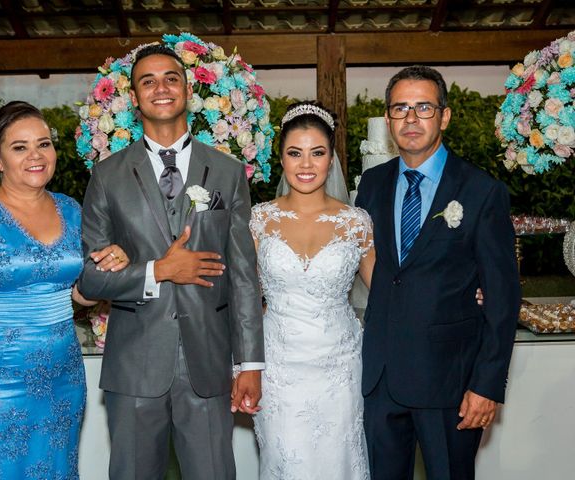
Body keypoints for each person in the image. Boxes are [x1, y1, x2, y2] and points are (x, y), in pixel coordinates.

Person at [77, 44, 264, 480]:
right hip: (134, 366)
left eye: (171, 78)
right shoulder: (106, 176)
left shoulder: (227, 172)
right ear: (135, 98)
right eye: (148, 81)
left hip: (208, 364)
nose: (161, 88)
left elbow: (242, 275)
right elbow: (90, 277)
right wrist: (158, 271)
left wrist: (250, 364)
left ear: (187, 91)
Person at [0, 101, 128, 479]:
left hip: (62, 382)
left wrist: (108, 271)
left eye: (44, 144)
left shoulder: (71, 210)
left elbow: (75, 297)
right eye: (19, 147)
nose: (36, 156)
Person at [355, 65, 520, 480]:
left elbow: (503, 299)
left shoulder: (482, 191)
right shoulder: (372, 184)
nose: (411, 119)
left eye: (423, 107)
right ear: (388, 119)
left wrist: (487, 384)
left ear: (444, 116)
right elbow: (379, 268)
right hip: (382, 378)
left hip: (450, 380)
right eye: (400, 109)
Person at [250, 102, 374, 479]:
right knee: (286, 462)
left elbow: (389, 294)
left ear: (331, 158)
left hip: (340, 367)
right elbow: (241, 299)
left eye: (317, 153)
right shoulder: (259, 219)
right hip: (277, 368)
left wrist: (459, 294)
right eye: (295, 153)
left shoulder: (356, 222)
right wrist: (241, 365)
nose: (306, 164)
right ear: (282, 159)